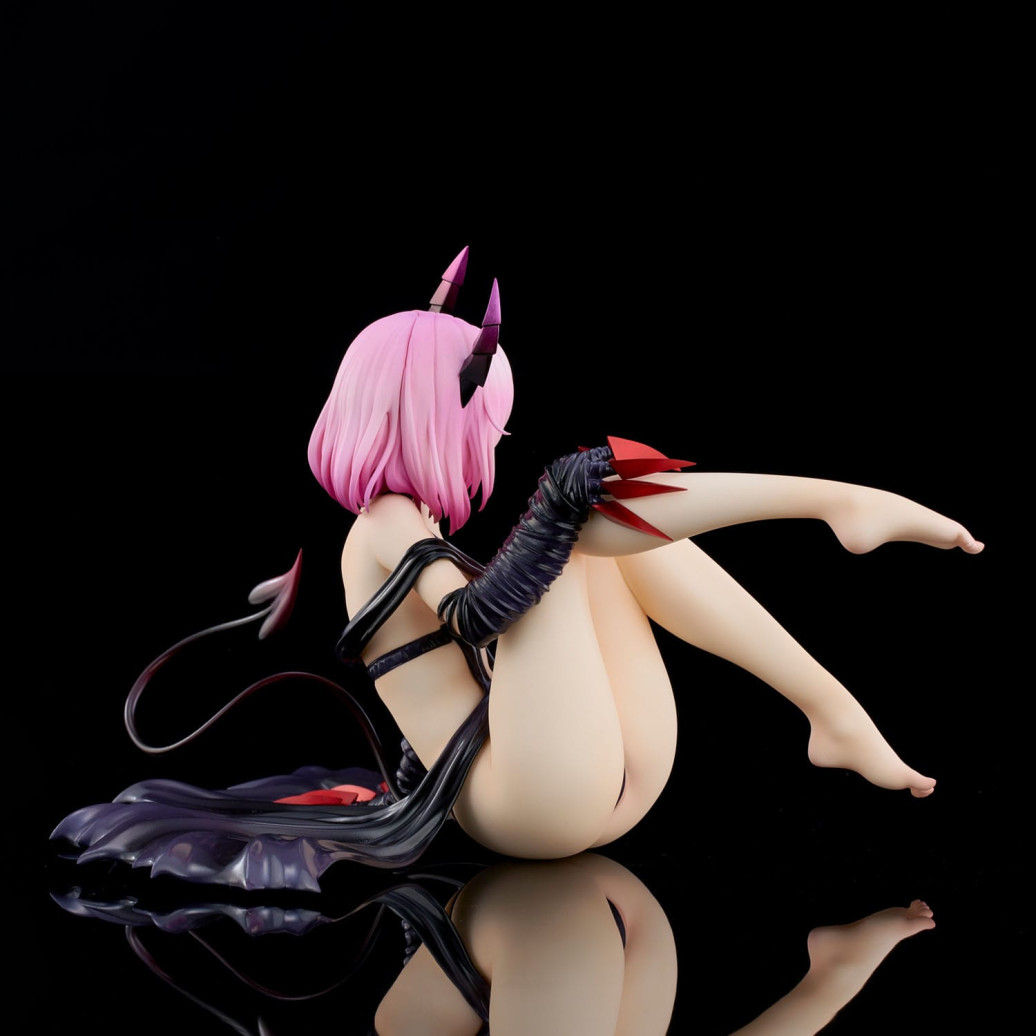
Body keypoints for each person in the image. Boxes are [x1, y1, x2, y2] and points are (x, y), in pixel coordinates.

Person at [52, 248, 983, 886]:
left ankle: (832, 707)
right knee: (576, 517)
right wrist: (560, 506)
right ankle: (834, 507)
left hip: (584, 782)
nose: (491, 440)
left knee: (608, 547)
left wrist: (560, 516)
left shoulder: (401, 526)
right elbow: (475, 618)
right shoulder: (383, 523)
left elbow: (456, 632)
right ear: (428, 417)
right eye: (482, 422)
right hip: (521, 802)